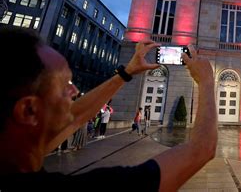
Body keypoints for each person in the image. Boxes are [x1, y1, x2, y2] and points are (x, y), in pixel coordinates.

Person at [0, 27, 217, 191]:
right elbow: (201, 149)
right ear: (29, 110)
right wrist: (207, 82)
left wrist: (127, 72)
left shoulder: (11, 150)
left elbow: (76, 117)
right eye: (64, 85)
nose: (74, 91)